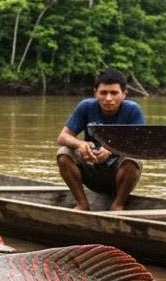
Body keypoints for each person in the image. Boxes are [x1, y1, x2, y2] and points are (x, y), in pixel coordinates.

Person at [55, 68, 145, 211]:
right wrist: (80, 144)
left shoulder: (132, 110)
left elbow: (140, 143)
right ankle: (82, 204)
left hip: (118, 175)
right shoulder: (86, 107)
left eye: (114, 93)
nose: (108, 98)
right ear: (95, 92)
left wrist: (111, 149)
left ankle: (117, 205)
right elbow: (63, 137)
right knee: (63, 153)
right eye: (103, 93)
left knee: (133, 159)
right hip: (92, 169)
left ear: (124, 94)